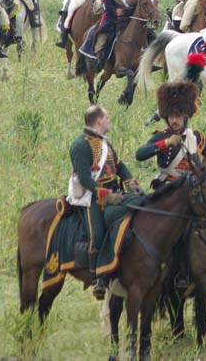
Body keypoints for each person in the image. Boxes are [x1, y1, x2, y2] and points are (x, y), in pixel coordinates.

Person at [67, 105, 142, 300]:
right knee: (97, 233)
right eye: (107, 117)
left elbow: (119, 165)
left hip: (115, 194)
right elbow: (84, 178)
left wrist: (131, 183)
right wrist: (105, 195)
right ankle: (97, 277)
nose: (109, 120)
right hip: (93, 199)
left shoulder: (104, 143)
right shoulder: (80, 145)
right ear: (99, 121)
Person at [135, 69, 206, 188]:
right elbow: (140, 155)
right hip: (167, 187)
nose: (174, 120)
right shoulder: (161, 136)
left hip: (191, 187)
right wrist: (166, 143)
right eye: (171, 116)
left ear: (186, 115)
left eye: (178, 116)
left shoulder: (197, 136)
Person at [92, 0, 137, 66]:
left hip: (129, 16)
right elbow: (106, 3)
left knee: (147, 31)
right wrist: (115, 11)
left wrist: (129, 12)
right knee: (104, 31)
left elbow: (137, 2)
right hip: (113, 16)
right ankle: (99, 55)